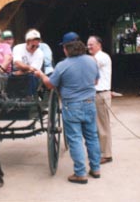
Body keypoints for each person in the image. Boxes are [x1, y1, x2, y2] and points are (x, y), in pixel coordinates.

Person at [34, 32, 101, 184]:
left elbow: (51, 84)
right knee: (92, 137)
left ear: (66, 49)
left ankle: (80, 173)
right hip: (90, 102)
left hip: (72, 105)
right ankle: (95, 169)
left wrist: (41, 76)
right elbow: (96, 81)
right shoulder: (92, 61)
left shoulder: (63, 65)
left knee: (75, 139)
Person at [87, 35, 113, 165]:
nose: (89, 46)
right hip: (95, 95)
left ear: (99, 45)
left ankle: (106, 154)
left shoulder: (102, 57)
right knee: (97, 126)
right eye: (88, 44)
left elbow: (90, 63)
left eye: (92, 44)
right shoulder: (95, 57)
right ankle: (101, 152)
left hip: (101, 95)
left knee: (103, 126)